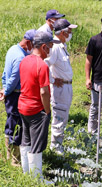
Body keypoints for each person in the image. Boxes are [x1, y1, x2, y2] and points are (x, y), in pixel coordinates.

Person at [18, 32, 60, 184]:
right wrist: (47, 111)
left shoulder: (24, 60)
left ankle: (26, 174)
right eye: (50, 46)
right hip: (36, 109)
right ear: (43, 46)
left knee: (26, 140)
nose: (51, 49)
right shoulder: (42, 65)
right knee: (37, 144)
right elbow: (44, 91)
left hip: (22, 106)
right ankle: (37, 180)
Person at [0, 29, 36, 166]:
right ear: (28, 42)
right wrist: (8, 90)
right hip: (15, 94)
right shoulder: (21, 57)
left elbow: (5, 73)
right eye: (34, 45)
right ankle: (14, 160)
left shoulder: (12, 49)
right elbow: (15, 77)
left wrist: (4, 88)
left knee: (10, 122)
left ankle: (8, 155)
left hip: (10, 93)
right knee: (16, 125)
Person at [44, 19, 78, 155]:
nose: (71, 33)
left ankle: (58, 145)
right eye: (69, 31)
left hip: (66, 87)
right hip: (60, 88)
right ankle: (56, 149)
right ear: (63, 32)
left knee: (63, 116)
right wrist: (52, 79)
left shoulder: (62, 46)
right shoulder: (55, 47)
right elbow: (45, 64)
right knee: (59, 116)